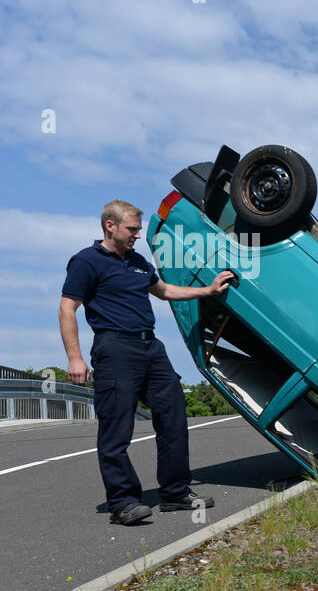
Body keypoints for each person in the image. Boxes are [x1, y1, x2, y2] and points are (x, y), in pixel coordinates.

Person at [59, 199, 236, 525]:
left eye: (139, 230)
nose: (137, 236)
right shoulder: (86, 261)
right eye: (132, 229)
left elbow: (165, 290)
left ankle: (175, 492)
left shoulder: (139, 262)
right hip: (115, 349)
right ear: (110, 226)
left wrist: (208, 291)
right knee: (116, 431)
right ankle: (124, 503)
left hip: (151, 348)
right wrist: (74, 357)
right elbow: (68, 306)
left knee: (173, 418)